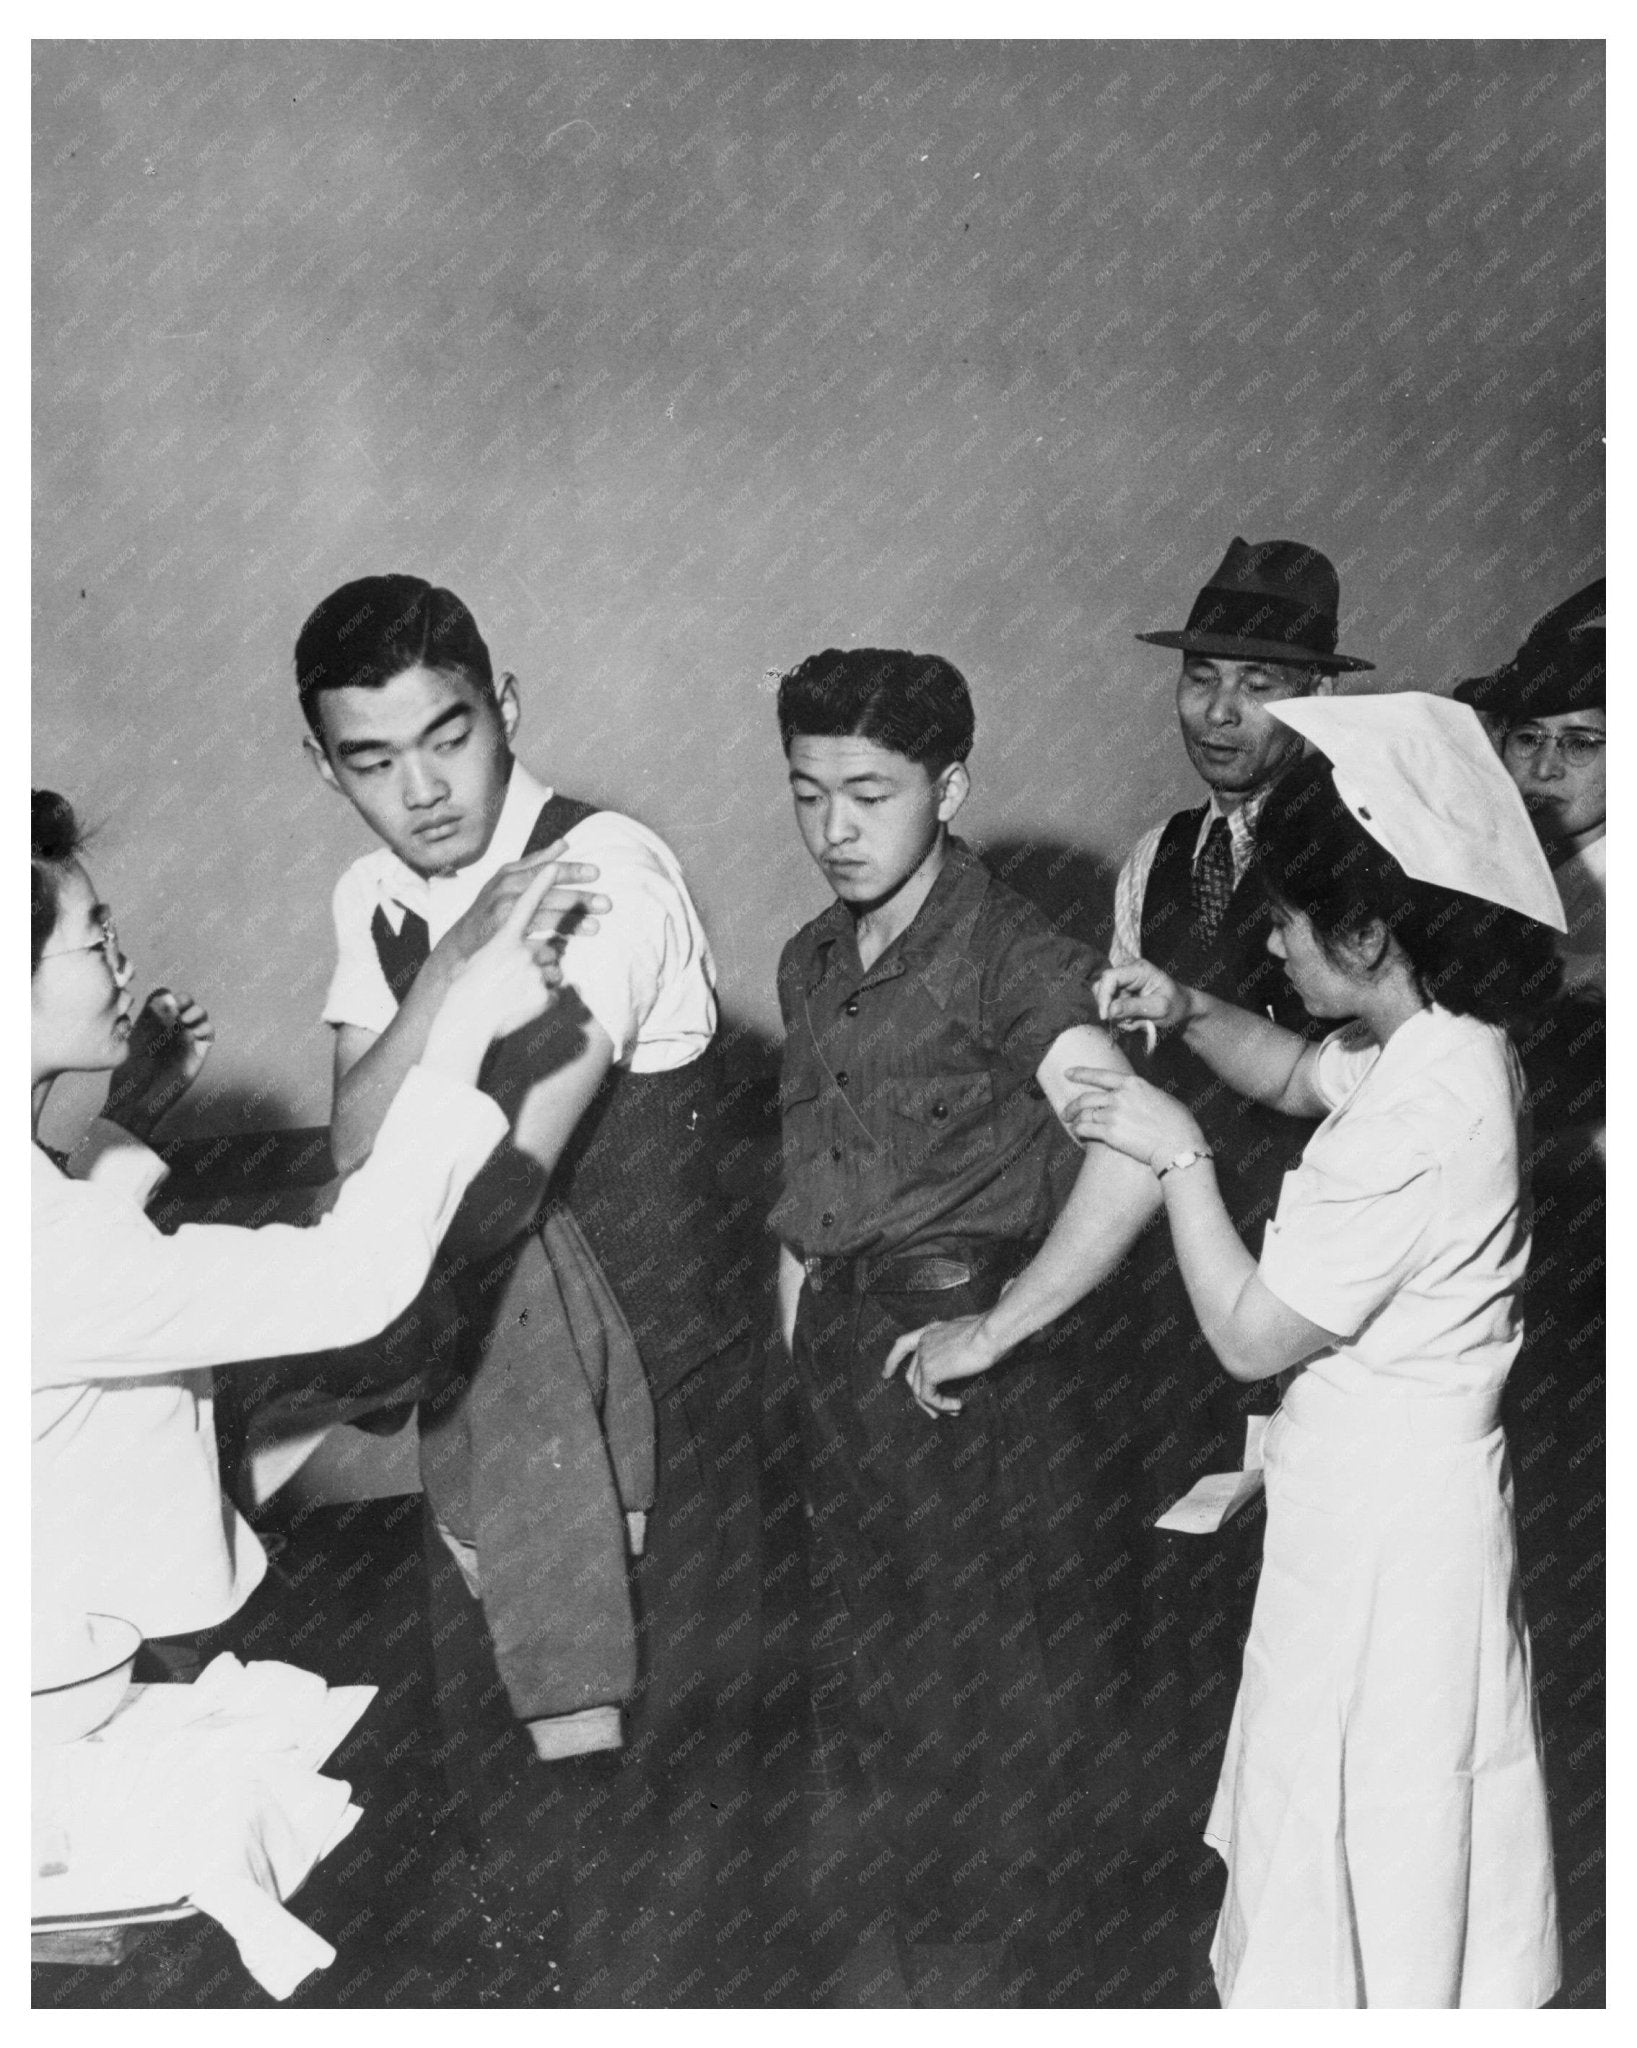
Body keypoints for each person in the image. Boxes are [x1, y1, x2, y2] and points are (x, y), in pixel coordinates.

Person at [1055, 694, 1563, 2007]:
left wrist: (1173, 1152)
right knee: (1344, 1833)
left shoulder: (1426, 1112)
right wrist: (1185, 1002)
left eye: (1286, 919)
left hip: (1393, 1543)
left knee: (1373, 1854)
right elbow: (1291, 1074)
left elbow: (1246, 1334)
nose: (1271, 941)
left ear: (1368, 931)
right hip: (1368, 1513)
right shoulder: (1441, 1041)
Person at [298, 575, 762, 1908]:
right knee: (511, 1835)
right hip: (484, 1419)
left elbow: (495, 1179)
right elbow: (350, 1145)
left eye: (449, 736)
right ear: (324, 765)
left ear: (504, 705)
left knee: (652, 1866)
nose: (425, 791)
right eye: (373, 762)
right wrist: (449, 975)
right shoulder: (373, 897)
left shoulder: (607, 871)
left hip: (653, 1424)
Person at [769, 647, 1163, 2006]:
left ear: (951, 785)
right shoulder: (812, 956)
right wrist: (800, 1352)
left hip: (966, 1392)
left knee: (994, 1727)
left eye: (869, 794)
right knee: (866, 1708)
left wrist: (997, 1331)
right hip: (844, 1368)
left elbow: (1142, 1151)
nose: (834, 830)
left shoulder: (1011, 955)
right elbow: (805, 1193)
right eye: (808, 793)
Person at [32, 787, 587, 1660]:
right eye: (95, 937)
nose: (123, 962)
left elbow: (81, 1257)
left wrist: (131, 1117)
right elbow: (350, 1281)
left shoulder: (41, 1212)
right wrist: (465, 1018)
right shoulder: (39, 1250)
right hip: (111, 1657)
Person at [1102, 537, 1375, 1797]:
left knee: (1298, 1585)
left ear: (1316, 699)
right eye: (1199, 677)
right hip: (1164, 1271)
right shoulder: (1153, 855)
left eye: (1254, 683)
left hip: (1313, 1278)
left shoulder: (1365, 858)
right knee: (1167, 1567)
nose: (1216, 712)